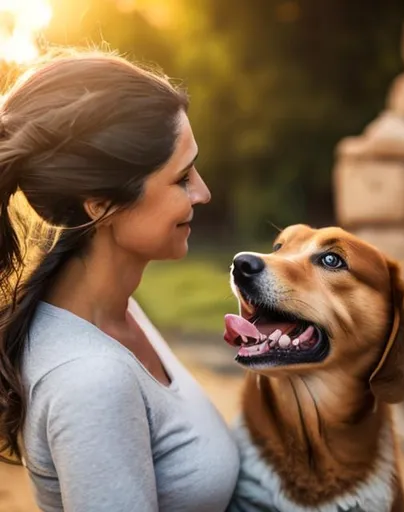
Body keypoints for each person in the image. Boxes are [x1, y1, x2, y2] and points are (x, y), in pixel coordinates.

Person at [0, 50, 240, 511]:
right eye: (182, 178)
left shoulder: (118, 309)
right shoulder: (90, 381)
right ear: (100, 205)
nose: (203, 192)